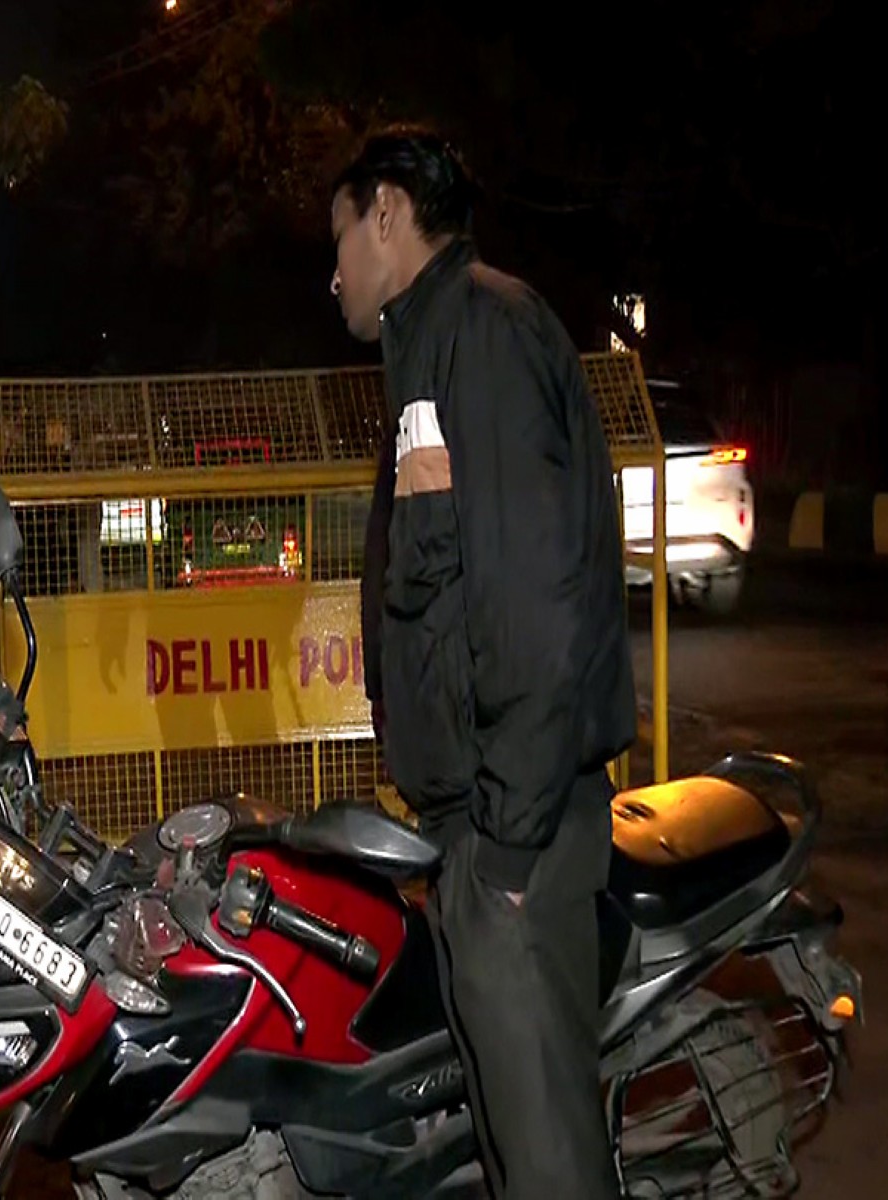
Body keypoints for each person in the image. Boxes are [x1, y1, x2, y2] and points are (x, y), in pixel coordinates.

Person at [330, 125, 636, 1200]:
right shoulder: (431, 346)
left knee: (549, 1169)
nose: (333, 274)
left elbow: (534, 612)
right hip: (480, 834)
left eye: (338, 239)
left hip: (520, 842)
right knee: (513, 1158)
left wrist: (503, 853)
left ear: (385, 213)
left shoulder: (485, 337)